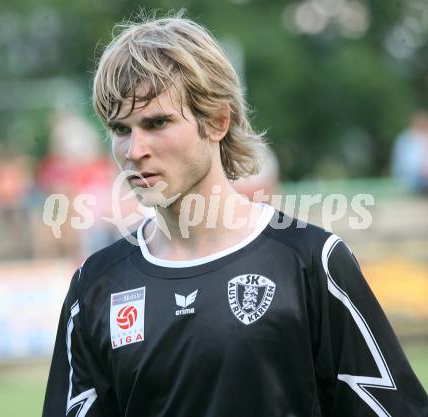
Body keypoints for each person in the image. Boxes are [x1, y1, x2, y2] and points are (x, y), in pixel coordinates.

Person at [43, 13, 428, 417]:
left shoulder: (311, 263)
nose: (134, 149)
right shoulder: (96, 287)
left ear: (218, 121)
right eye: (121, 129)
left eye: (157, 123)